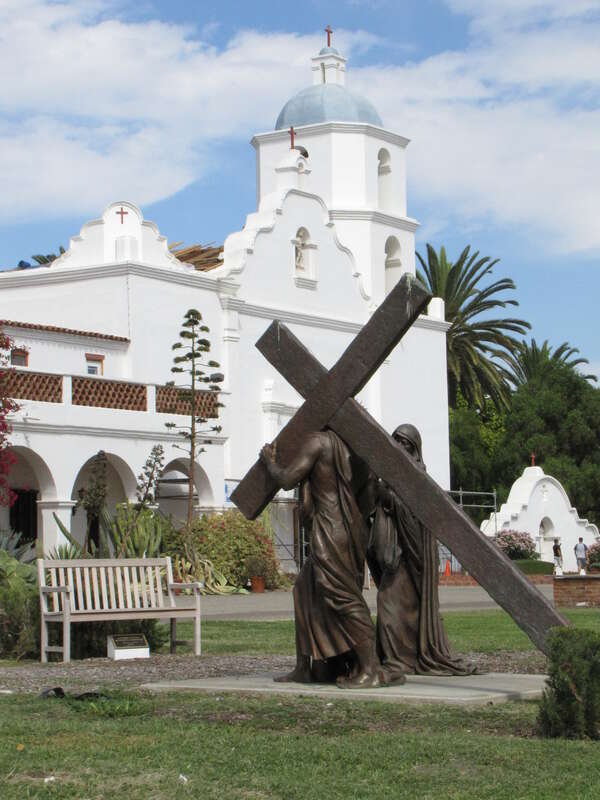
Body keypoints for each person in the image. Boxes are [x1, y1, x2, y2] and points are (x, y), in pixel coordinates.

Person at [259, 430, 381, 688]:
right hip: (349, 528)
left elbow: (287, 479)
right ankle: (305, 667)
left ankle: (371, 669)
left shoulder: (319, 442)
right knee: (304, 590)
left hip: (329, 530)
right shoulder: (357, 447)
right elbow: (369, 493)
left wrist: (269, 461)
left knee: (344, 599)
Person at [365, 423, 476, 681]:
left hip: (411, 554)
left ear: (414, 448)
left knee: (390, 604)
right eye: (396, 440)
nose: (400, 446)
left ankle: (399, 660)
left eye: (405, 442)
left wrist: (390, 499)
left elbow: (416, 518)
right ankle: (398, 658)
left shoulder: (418, 477)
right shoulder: (391, 473)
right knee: (390, 604)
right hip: (396, 554)